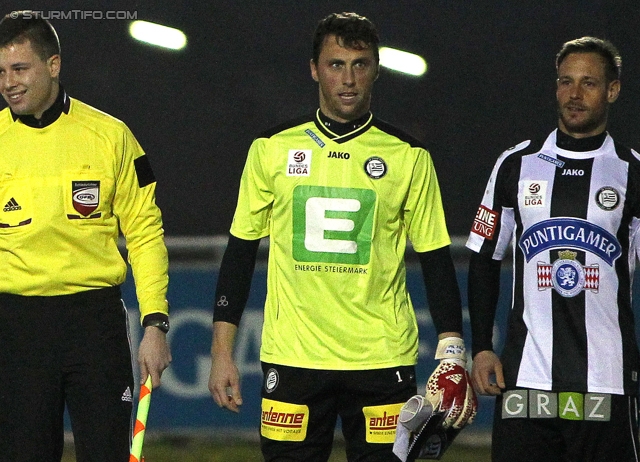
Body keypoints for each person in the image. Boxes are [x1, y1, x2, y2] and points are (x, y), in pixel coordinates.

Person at [208, 11, 475, 462]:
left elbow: (435, 258)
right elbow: (239, 253)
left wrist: (452, 351)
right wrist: (221, 353)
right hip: (293, 358)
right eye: (335, 64)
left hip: (381, 358)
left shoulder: (409, 157)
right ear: (314, 69)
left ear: (377, 68)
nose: (348, 79)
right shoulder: (270, 148)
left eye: (360, 64)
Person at [0, 12, 171, 462]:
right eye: (0, 72)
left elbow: (145, 233)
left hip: (93, 324)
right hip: (16, 327)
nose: (8, 83)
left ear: (53, 65)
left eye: (20, 69)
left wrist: (155, 322)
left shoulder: (110, 136)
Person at [467, 36, 640, 462]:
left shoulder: (632, 172)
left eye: (589, 83)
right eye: (565, 82)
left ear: (613, 91)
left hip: (608, 379)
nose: (574, 94)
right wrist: (483, 345)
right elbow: (485, 258)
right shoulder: (515, 164)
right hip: (525, 379)